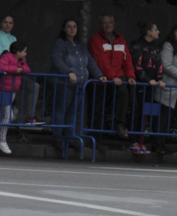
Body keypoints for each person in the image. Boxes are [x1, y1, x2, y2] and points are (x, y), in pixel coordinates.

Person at [50, 18, 104, 151]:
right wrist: (68, 72)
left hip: (80, 84)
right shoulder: (60, 43)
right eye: (69, 26)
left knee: (73, 112)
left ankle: (70, 136)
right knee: (61, 109)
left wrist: (99, 75)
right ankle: (57, 137)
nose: (72, 29)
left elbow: (90, 61)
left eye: (74, 26)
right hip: (64, 83)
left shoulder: (81, 46)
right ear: (64, 29)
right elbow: (56, 60)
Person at [88, 14, 136, 138]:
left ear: (114, 25)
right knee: (98, 110)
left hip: (116, 80)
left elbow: (127, 60)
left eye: (110, 23)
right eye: (104, 23)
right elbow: (101, 61)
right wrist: (112, 77)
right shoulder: (96, 39)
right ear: (100, 25)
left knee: (123, 95)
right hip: (100, 81)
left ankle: (120, 123)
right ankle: (96, 139)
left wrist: (130, 76)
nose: (107, 25)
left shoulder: (120, 39)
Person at [0, 41, 31, 154]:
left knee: (0, 113)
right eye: (24, 51)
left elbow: (27, 69)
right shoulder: (7, 56)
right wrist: (16, 69)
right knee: (9, 115)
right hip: (4, 89)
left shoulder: (21, 60)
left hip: (12, 90)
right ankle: (2, 139)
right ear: (18, 52)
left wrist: (20, 68)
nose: (26, 54)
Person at [129, 23, 166, 153]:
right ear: (149, 32)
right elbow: (137, 65)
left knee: (148, 112)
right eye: (156, 30)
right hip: (141, 84)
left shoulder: (155, 47)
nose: (158, 32)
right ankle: (134, 141)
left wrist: (159, 79)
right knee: (138, 111)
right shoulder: (138, 45)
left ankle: (142, 141)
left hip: (152, 86)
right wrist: (146, 79)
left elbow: (159, 64)